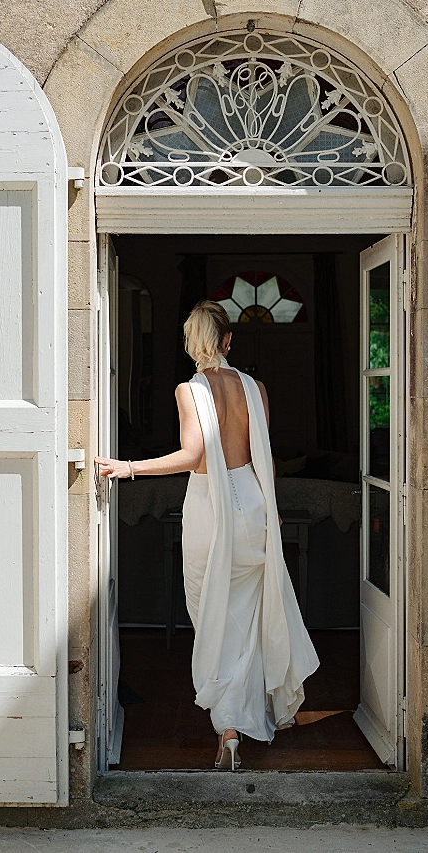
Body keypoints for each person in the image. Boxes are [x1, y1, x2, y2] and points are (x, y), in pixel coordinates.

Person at [95, 300, 319, 770]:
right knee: (252, 615)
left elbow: (195, 457)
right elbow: (267, 457)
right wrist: (272, 510)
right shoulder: (255, 388)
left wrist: (130, 467)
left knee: (215, 621)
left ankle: (230, 732)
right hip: (255, 506)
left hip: (211, 511)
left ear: (192, 344)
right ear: (228, 340)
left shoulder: (188, 390)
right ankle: (263, 712)